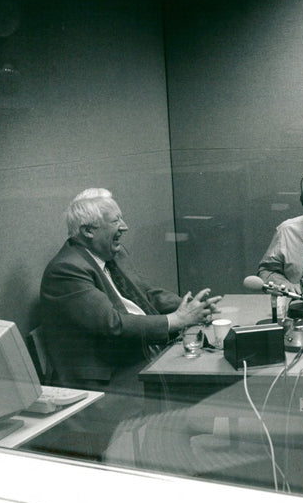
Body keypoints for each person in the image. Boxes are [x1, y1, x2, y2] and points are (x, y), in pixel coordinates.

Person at [37, 189, 221, 457]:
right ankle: (168, 456)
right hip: (105, 378)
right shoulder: (66, 271)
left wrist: (189, 307)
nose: (125, 227)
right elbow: (113, 325)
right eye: (115, 221)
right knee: (187, 377)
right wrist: (177, 320)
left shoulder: (113, 254)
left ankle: (176, 453)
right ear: (88, 231)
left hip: (133, 356)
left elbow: (147, 294)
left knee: (202, 366)